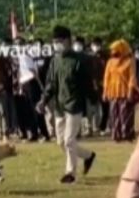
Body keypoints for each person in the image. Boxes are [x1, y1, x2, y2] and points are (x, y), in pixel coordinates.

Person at [40, 25, 96, 184]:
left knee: (69, 140)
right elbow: (50, 84)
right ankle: (88, 156)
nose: (57, 44)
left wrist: (93, 100)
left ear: (68, 41)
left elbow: (87, 83)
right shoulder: (54, 61)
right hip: (59, 106)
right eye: (54, 41)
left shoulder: (80, 60)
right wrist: (43, 100)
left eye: (60, 41)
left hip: (75, 105)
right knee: (61, 142)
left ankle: (70, 173)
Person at [103, 39, 138, 142]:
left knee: (125, 114)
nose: (113, 51)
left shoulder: (130, 61)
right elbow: (106, 77)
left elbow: (132, 77)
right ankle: (116, 135)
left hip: (125, 91)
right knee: (114, 114)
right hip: (113, 92)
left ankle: (127, 135)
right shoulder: (110, 62)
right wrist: (105, 92)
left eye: (115, 49)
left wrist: (130, 91)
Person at [15, 38, 44, 141]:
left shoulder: (25, 55)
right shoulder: (20, 55)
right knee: (28, 110)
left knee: (35, 109)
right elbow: (20, 72)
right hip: (25, 83)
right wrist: (20, 86)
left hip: (31, 82)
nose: (17, 46)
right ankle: (33, 133)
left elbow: (33, 71)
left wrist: (40, 84)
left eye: (19, 44)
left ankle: (43, 133)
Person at [89, 38, 109, 135]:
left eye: (98, 44)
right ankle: (92, 128)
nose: (96, 47)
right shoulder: (89, 57)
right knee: (93, 109)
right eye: (94, 45)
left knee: (105, 107)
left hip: (104, 85)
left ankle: (103, 127)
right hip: (92, 85)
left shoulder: (105, 56)